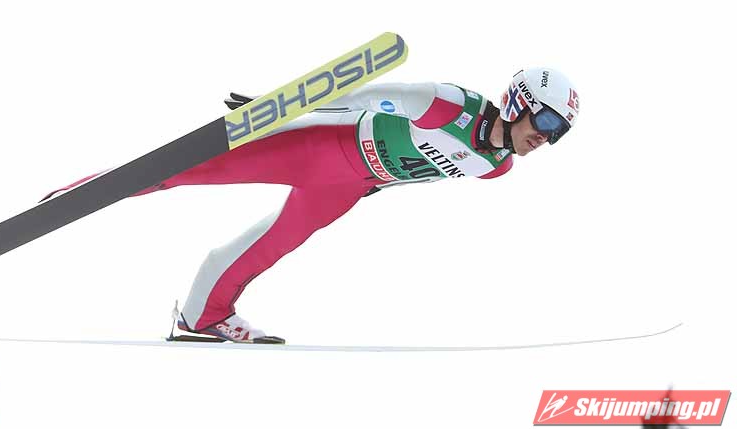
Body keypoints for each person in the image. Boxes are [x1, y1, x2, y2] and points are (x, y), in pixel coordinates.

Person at [42, 68, 580, 344]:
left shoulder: (496, 167)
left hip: (348, 186)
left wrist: (368, 187)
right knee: (189, 168)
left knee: (270, 245)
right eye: (547, 122)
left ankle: (204, 315)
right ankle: (76, 196)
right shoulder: (449, 105)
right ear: (521, 101)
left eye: (559, 133)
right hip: (321, 144)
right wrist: (280, 106)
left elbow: (419, 169)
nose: (546, 138)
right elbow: (368, 94)